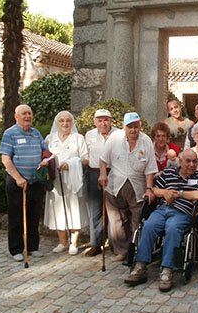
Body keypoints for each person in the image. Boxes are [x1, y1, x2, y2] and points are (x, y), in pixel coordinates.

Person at [125, 149, 198, 292]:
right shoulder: (169, 173)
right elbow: (154, 189)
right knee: (149, 225)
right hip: (163, 209)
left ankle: (167, 269)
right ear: (180, 162)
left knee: (172, 228)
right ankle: (140, 265)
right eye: (188, 161)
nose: (192, 164)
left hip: (182, 212)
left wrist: (181, 194)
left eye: (195, 161)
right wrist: (165, 192)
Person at [99, 112, 157, 262]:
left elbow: (150, 169)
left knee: (137, 220)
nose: (133, 130)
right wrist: (103, 174)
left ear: (140, 126)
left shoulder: (146, 141)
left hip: (137, 186)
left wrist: (149, 189)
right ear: (124, 127)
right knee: (117, 220)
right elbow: (103, 160)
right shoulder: (114, 138)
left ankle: (137, 249)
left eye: (136, 126)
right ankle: (122, 250)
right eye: (130, 127)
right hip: (115, 184)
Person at [0, 104, 48, 261]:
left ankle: (33, 247)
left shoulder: (36, 133)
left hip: (36, 181)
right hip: (17, 182)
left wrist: (46, 159)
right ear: (16, 116)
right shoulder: (10, 133)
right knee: (16, 217)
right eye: (24, 114)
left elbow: (44, 151)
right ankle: (16, 249)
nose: (27, 116)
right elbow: (5, 158)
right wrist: (18, 178)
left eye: (29, 113)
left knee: (34, 216)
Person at [44, 111, 89, 255]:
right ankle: (62, 242)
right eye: (61, 121)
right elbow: (45, 155)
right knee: (57, 209)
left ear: (72, 122)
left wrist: (71, 163)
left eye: (68, 121)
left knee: (74, 208)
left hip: (73, 180)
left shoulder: (78, 138)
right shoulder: (49, 139)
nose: (65, 124)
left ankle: (74, 242)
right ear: (57, 123)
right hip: (55, 181)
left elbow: (86, 159)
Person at [84, 109, 118, 257]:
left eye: (106, 120)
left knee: (114, 209)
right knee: (96, 209)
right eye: (100, 120)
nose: (103, 123)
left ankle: (114, 242)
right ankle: (96, 243)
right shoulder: (89, 135)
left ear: (111, 121)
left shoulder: (118, 134)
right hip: (94, 173)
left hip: (114, 172)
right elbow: (85, 155)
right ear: (94, 122)